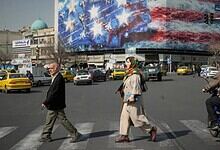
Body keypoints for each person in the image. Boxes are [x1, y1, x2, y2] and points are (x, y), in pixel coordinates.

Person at [115, 56, 157, 143]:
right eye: (126, 62)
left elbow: (136, 87)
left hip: (134, 98)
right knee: (124, 116)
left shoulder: (135, 74)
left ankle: (151, 129)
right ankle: (124, 135)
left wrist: (132, 96)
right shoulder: (129, 73)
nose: (125, 64)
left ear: (132, 63)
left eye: (127, 62)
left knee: (136, 118)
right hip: (127, 98)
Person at [39, 62, 81, 143]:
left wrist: (45, 102)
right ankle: (45, 136)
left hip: (56, 104)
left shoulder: (59, 78)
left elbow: (54, 92)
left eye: (51, 68)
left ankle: (75, 134)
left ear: (56, 68)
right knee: (50, 120)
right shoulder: (55, 77)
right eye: (49, 69)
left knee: (62, 120)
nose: (49, 70)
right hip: (54, 104)